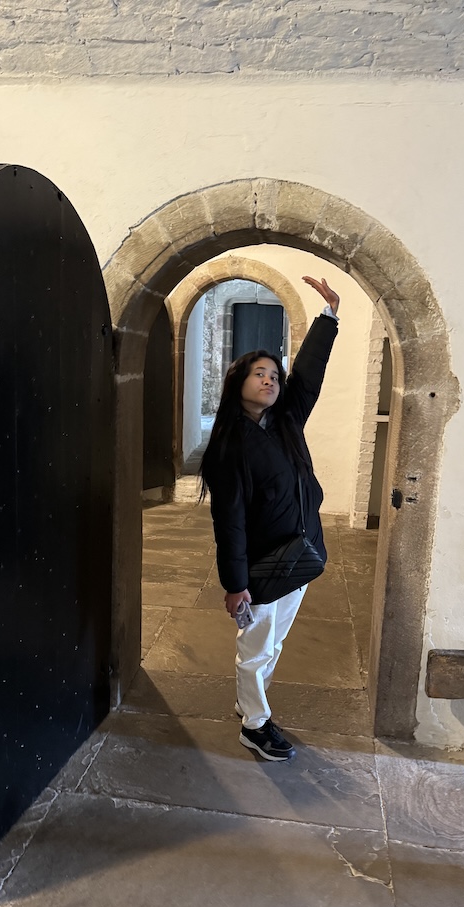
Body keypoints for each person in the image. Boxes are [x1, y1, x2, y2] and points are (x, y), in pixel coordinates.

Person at [199, 275, 341, 761]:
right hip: (261, 562)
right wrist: (235, 584)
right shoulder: (230, 446)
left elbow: (309, 375)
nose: (269, 381)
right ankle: (255, 725)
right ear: (238, 382)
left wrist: (328, 317)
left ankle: (249, 704)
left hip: (299, 553)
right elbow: (230, 523)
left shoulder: (286, 422)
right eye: (259, 374)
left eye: (274, 376)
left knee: (273, 643)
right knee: (257, 646)